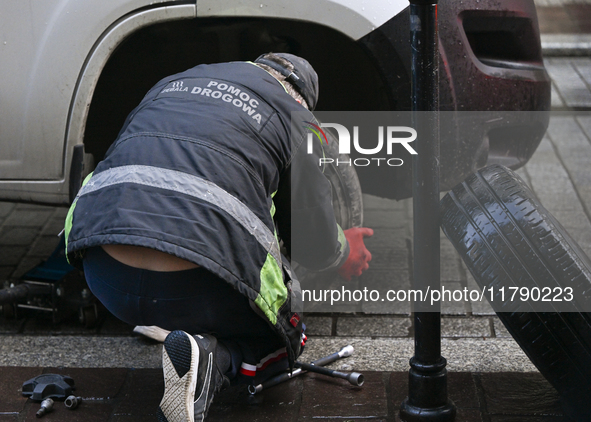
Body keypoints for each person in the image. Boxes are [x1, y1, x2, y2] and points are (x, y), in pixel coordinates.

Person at [63, 53, 373, 422]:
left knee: (164, 280)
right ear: (302, 98)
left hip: (105, 275)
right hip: (197, 286)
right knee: (284, 344)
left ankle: (167, 328)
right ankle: (214, 358)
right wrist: (344, 251)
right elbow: (312, 234)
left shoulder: (171, 81)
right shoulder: (295, 115)